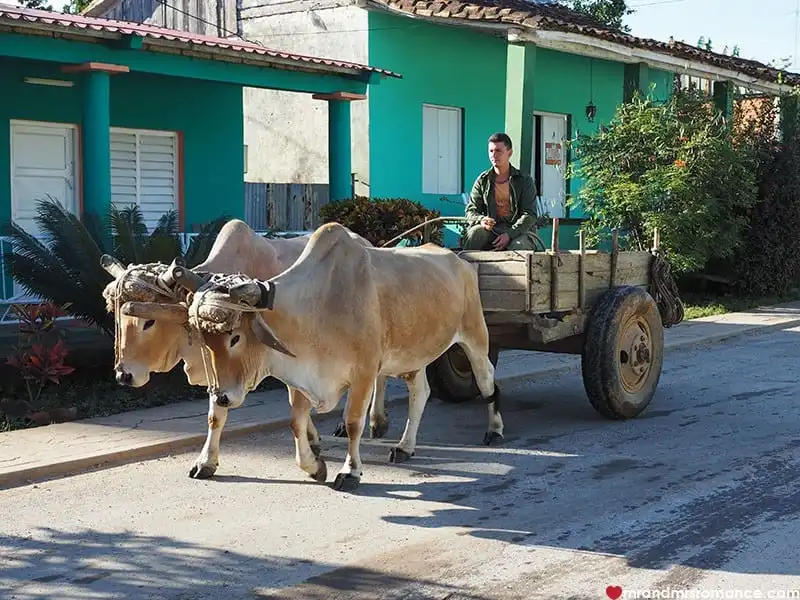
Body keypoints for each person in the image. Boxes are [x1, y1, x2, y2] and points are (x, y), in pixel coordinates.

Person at [462, 132, 540, 251]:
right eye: (491, 151)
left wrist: (510, 234)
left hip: (520, 231)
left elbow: (529, 215)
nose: (494, 155)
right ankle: (466, 268)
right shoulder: (483, 180)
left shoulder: (524, 180)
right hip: (492, 230)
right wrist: (481, 220)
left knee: (518, 246)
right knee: (475, 234)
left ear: (509, 153)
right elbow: (471, 210)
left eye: (498, 151)